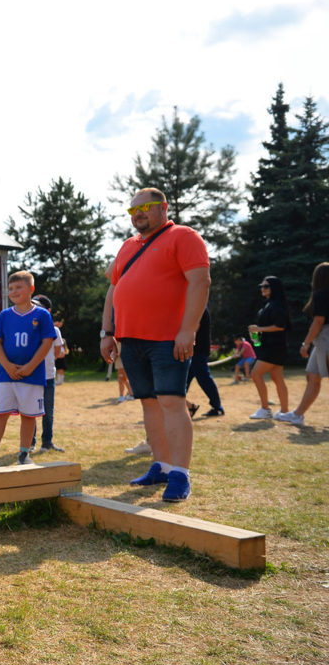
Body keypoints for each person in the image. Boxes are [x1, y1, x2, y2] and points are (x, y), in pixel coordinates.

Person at [100, 187, 210, 502]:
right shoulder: (127, 247)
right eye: (133, 210)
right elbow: (113, 290)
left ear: (163, 207)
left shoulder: (184, 236)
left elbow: (200, 281)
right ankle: (161, 466)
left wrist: (188, 330)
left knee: (172, 401)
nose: (138, 213)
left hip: (168, 338)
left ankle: (180, 474)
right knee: (148, 402)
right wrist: (107, 331)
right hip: (130, 339)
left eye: (146, 207)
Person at [0, 273, 54, 468]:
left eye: (19, 287)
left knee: (29, 415)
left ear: (31, 289)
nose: (14, 292)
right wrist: (8, 365)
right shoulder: (5, 315)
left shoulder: (42, 315)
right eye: (10, 289)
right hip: (6, 375)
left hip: (32, 375)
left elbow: (47, 342)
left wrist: (30, 366)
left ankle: (24, 453)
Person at [277, 262, 329, 426]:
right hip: (322, 339)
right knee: (312, 376)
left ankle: (297, 415)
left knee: (315, 377)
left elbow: (319, 321)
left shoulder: (321, 294)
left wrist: (305, 343)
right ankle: (298, 415)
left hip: (325, 337)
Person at [248, 275, 291, 419]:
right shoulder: (269, 304)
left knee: (255, 374)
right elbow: (263, 331)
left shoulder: (277, 305)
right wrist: (256, 335)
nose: (262, 288)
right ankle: (284, 412)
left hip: (274, 348)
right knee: (277, 378)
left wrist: (259, 329)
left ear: (274, 288)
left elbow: (279, 326)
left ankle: (265, 409)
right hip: (271, 347)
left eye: (266, 286)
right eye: (261, 286)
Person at [29, 294, 64, 453]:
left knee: (47, 412)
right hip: (31, 376)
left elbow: (57, 352)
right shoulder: (29, 327)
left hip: (48, 377)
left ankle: (47, 442)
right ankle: (30, 443)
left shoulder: (54, 330)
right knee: (30, 411)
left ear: (48, 311)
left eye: (39, 307)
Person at [185, 308, 224, 417]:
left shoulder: (198, 308)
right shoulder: (195, 307)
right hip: (193, 350)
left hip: (198, 350)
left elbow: (194, 329)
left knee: (204, 379)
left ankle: (217, 407)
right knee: (183, 381)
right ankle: (186, 407)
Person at [53, 317, 68, 385]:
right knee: (59, 369)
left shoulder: (61, 345)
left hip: (60, 358)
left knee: (60, 369)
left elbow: (63, 353)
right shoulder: (56, 329)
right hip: (59, 358)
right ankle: (59, 380)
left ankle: (60, 381)